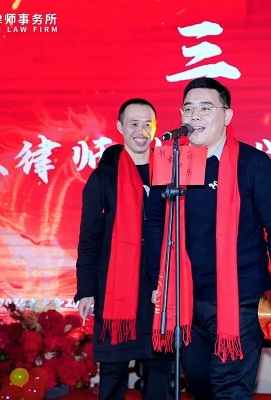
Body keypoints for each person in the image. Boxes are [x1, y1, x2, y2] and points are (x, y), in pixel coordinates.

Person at [145, 78, 271, 400]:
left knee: (230, 388)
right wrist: (159, 280)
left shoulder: (253, 163)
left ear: (227, 116)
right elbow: (156, 223)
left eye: (205, 108)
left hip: (240, 297)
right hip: (186, 296)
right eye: (188, 108)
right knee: (200, 385)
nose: (195, 116)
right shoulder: (172, 161)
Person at [74, 98, 173, 400]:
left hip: (159, 286)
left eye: (147, 124)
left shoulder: (170, 171)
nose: (141, 131)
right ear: (120, 127)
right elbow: (89, 239)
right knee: (114, 370)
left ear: (155, 128)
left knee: (159, 370)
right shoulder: (104, 176)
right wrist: (86, 289)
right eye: (134, 123)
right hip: (115, 288)